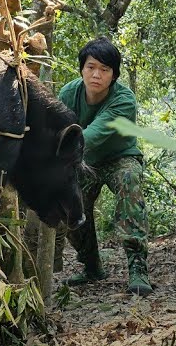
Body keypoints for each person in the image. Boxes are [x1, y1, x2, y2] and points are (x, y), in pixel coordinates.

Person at [58, 38, 152, 296]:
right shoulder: (68, 94)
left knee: (129, 180)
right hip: (83, 161)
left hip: (120, 157)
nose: (96, 74)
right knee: (68, 202)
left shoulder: (124, 100)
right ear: (81, 69)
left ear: (114, 74)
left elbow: (94, 134)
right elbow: (54, 130)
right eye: (90, 67)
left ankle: (137, 269)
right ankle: (91, 266)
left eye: (105, 69)